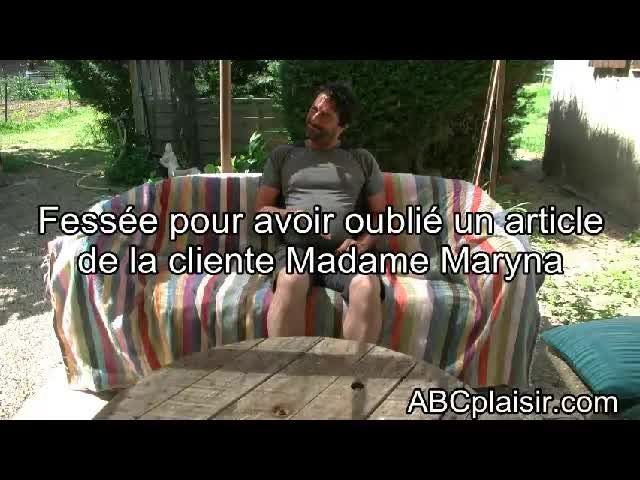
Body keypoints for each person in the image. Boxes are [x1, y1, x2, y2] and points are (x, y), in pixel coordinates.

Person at [255, 82, 387, 343]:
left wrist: (362, 244)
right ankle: (287, 368)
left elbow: (381, 217)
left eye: (325, 115)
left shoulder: (361, 159)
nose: (314, 118)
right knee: (290, 280)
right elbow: (261, 211)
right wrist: (289, 215)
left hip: (343, 253)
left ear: (342, 125)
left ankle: (353, 369)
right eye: (313, 109)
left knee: (366, 286)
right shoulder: (284, 156)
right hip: (297, 250)